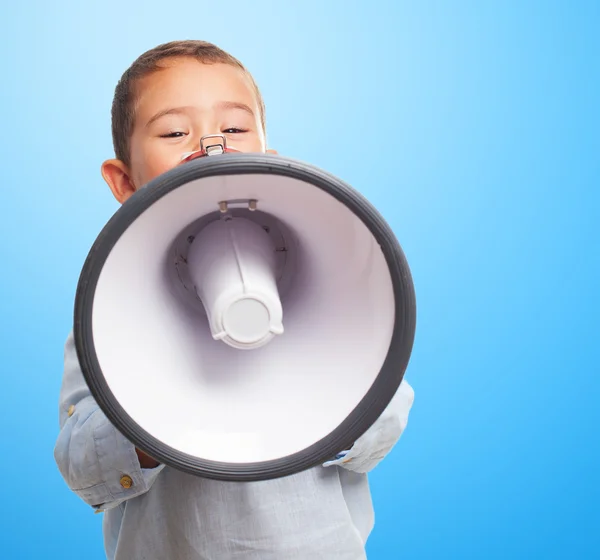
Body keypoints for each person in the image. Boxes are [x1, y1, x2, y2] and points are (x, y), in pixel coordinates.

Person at [54, 40, 415, 560]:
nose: (211, 143)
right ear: (124, 180)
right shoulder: (106, 315)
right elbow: (81, 466)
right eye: (175, 132)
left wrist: (325, 380)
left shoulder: (346, 287)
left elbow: (385, 423)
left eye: (236, 127)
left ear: (269, 161)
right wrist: (151, 412)